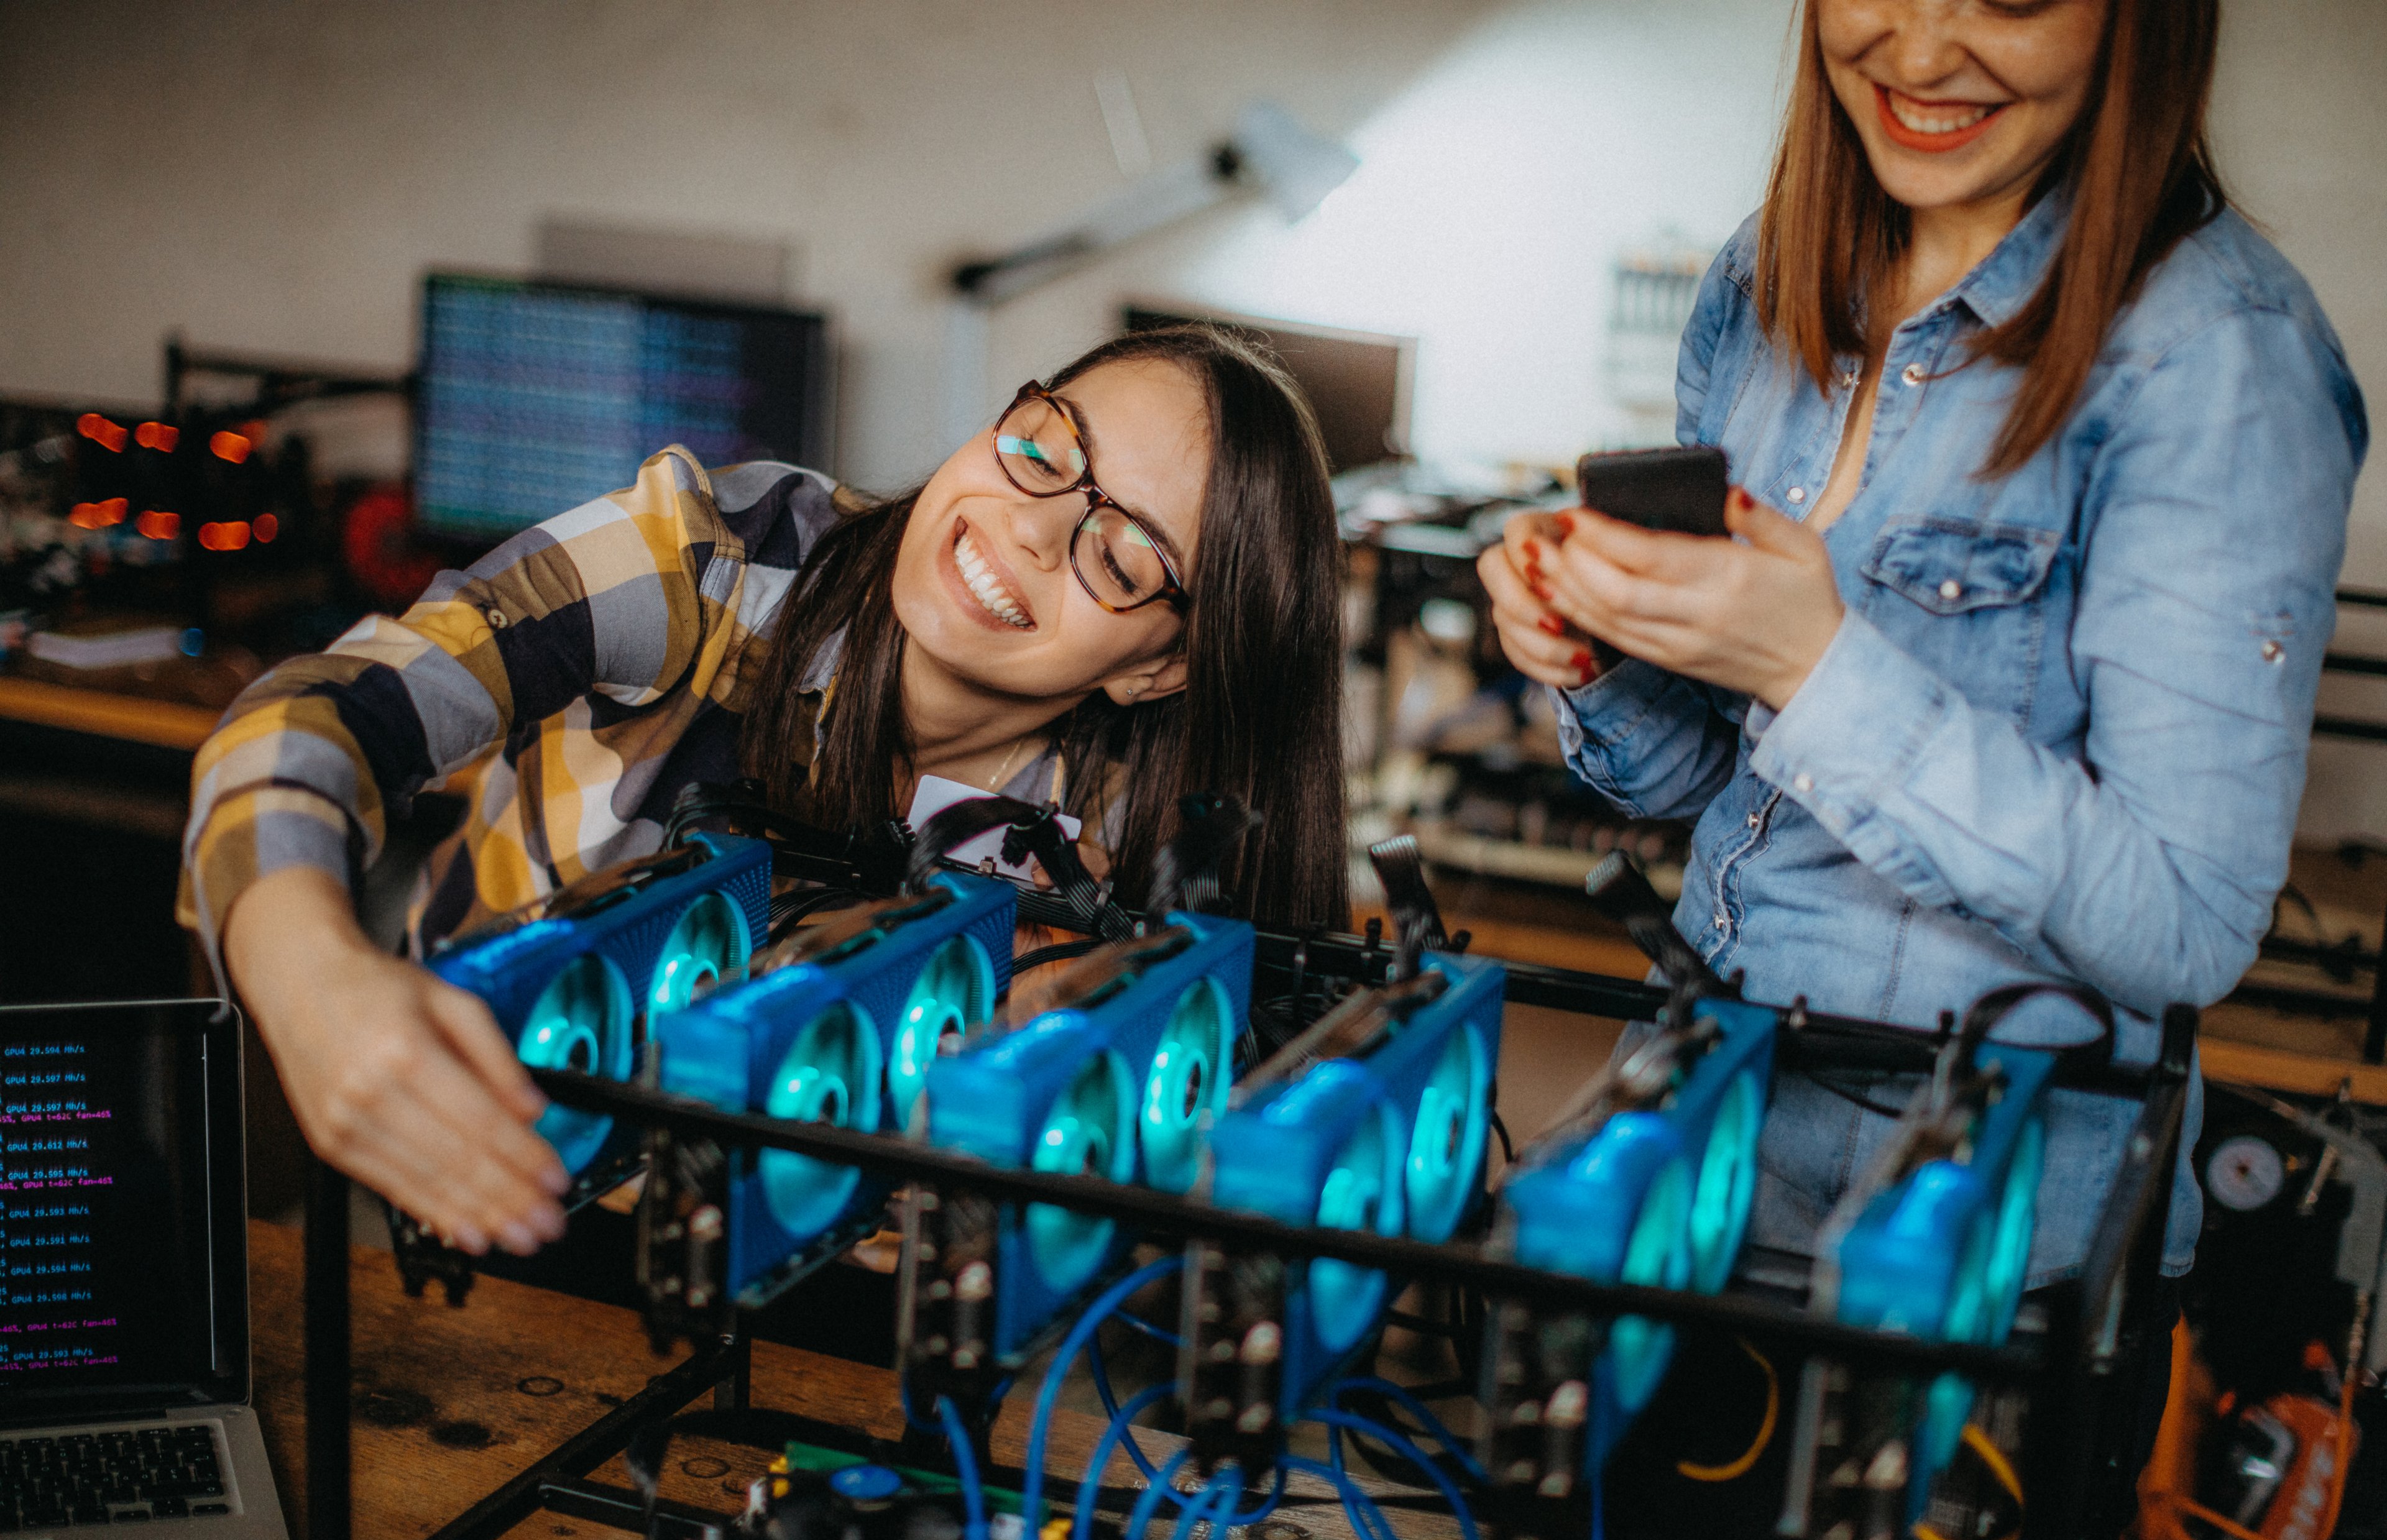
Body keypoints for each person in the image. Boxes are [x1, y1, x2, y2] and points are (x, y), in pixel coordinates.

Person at [1483, 0, 2364, 1303]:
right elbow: (1697, 785)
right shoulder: (1765, 271)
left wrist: (1815, 669)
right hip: (1690, 1147)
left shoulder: (2220, 357)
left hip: (1979, 1261)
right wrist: (1597, 647)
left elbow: (2185, 923)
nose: (1919, 48)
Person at [180, 324, 1348, 1260]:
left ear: (1160, 668)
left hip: (829, 1292)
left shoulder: (1133, 843)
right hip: (480, 1189)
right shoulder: (705, 565)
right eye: (1044, 450)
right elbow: (322, 712)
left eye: (1123, 555)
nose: (1031, 528)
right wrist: (309, 976)